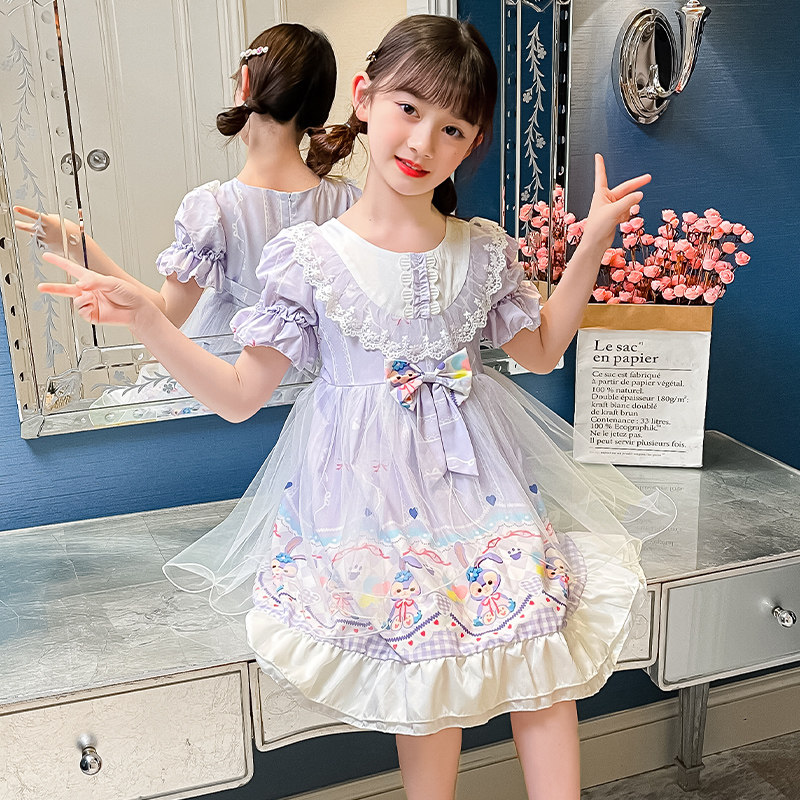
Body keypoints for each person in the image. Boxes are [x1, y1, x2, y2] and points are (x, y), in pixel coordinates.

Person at [38, 15, 656, 800]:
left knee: (542, 665)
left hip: (485, 494)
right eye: (408, 108)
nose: (422, 141)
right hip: (368, 509)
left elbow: (540, 350)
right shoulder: (308, 258)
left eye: (452, 127)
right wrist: (151, 322)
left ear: (473, 142)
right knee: (424, 687)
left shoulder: (482, 249)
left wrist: (593, 241)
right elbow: (239, 396)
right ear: (365, 98)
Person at [15, 22, 359, 354]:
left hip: (225, 376)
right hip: (320, 382)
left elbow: (165, 314)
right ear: (319, 112)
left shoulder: (215, 209)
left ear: (245, 85)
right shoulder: (348, 203)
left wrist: (80, 246)